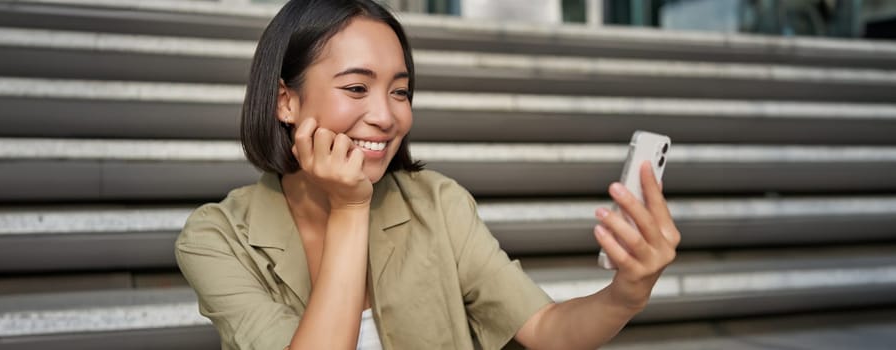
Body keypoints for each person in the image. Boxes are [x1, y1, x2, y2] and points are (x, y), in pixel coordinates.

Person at [174, 0, 681, 349]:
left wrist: (627, 293)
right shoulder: (217, 235)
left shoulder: (437, 202)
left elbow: (545, 329)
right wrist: (349, 208)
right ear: (286, 100)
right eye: (356, 88)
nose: (387, 115)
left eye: (400, 91)